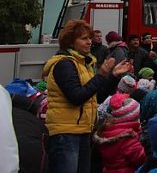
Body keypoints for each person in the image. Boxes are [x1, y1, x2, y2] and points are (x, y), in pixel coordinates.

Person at [43, 19, 132, 173]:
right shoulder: (64, 64)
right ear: (71, 42)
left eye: (90, 38)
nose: (89, 42)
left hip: (82, 130)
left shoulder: (84, 64)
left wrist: (112, 76)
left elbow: (95, 95)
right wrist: (102, 74)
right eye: (84, 38)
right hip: (66, 132)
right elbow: (76, 97)